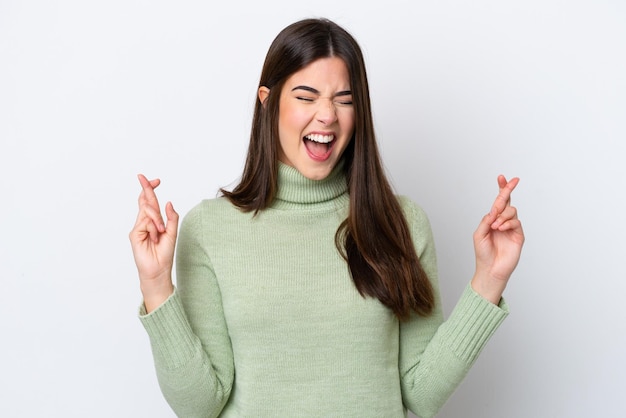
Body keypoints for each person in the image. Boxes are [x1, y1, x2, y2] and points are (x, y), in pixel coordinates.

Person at [130, 18, 524, 418]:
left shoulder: (401, 223)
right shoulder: (209, 230)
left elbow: (420, 393)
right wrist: (156, 285)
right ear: (268, 100)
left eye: (344, 99)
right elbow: (199, 406)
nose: (327, 116)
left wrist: (489, 280)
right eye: (306, 96)